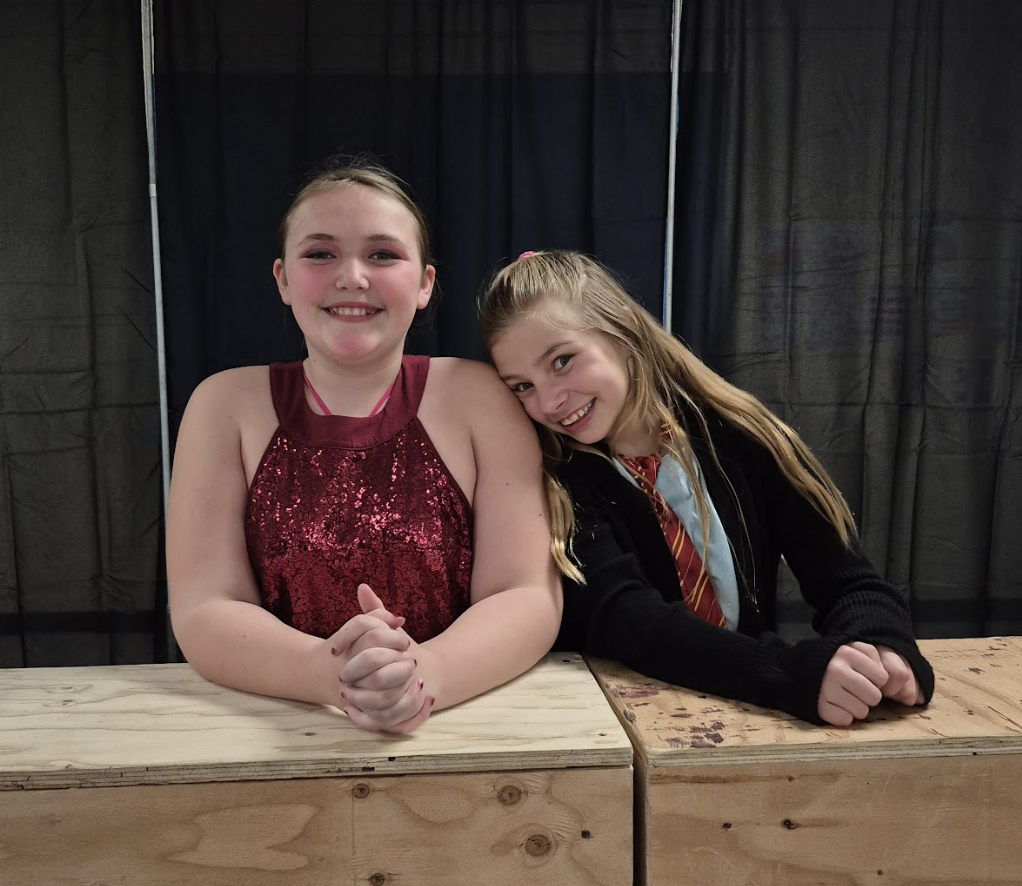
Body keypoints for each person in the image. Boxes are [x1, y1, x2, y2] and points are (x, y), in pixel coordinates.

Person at [166, 161, 561, 735]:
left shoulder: (478, 398)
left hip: (461, 726)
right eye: (320, 254)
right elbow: (205, 608)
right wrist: (331, 673)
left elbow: (525, 595)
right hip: (283, 728)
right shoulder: (223, 405)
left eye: (382, 254)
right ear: (281, 278)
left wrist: (425, 675)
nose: (352, 276)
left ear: (425, 283)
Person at [480, 249, 934, 727]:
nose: (549, 401)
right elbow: (633, 622)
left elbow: (848, 579)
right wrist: (787, 674)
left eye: (562, 361)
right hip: (611, 729)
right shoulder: (554, 479)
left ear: (623, 335)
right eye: (522, 386)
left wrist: (881, 646)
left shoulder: (742, 437)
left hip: (744, 724)